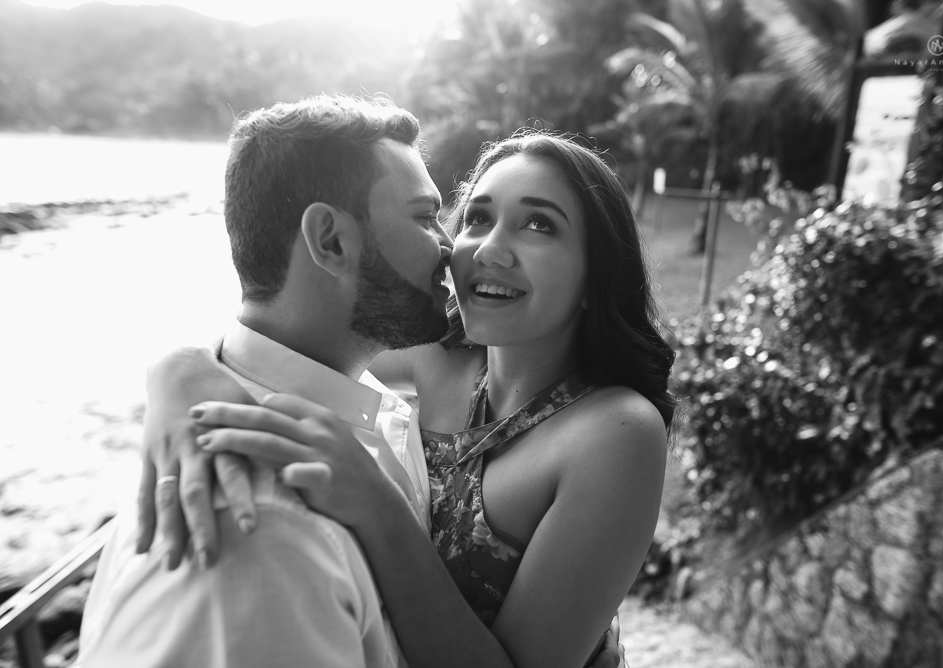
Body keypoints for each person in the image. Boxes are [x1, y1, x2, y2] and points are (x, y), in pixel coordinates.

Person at [128, 109, 675, 666]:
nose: (487, 250)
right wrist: (182, 371)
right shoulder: (442, 358)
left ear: (594, 275)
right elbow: (300, 338)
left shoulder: (615, 431)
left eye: (539, 225)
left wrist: (376, 503)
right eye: (478, 219)